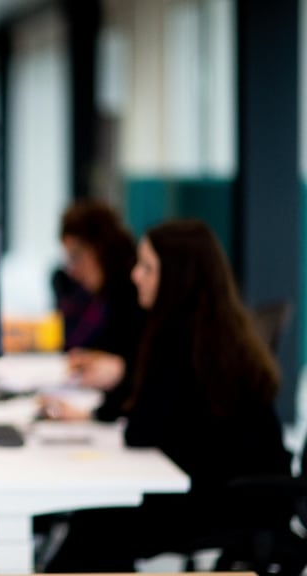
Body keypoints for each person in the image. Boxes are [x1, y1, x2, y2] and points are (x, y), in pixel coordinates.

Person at [45, 220, 291, 572]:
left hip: (227, 500)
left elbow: (141, 431)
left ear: (178, 278)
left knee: (97, 525)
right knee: (97, 522)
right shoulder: (217, 332)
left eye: (147, 268)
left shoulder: (177, 337)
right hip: (249, 496)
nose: (135, 276)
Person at [43, 199, 144, 421]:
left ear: (100, 249)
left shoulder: (134, 297)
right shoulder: (93, 295)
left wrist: (117, 371)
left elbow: (143, 372)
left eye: (76, 256)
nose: (72, 269)